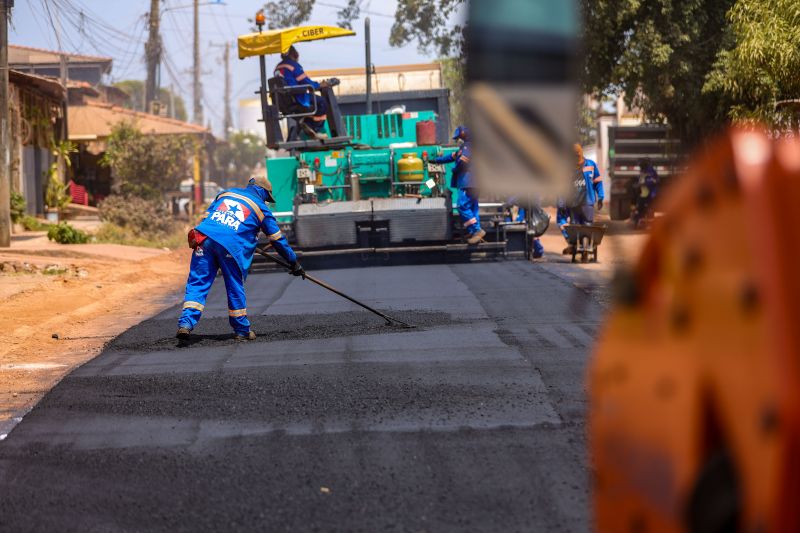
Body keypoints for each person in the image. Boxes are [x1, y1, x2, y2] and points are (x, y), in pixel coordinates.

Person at [176, 176, 304, 342]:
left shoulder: (225, 194)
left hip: (204, 239)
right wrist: (293, 262)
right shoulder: (261, 209)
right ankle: (242, 331)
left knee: (197, 283)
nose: (266, 201)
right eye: (267, 197)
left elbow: (210, 219)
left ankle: (185, 324)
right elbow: (277, 240)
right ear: (262, 192)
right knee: (234, 286)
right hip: (230, 247)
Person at [431, 126, 486, 244]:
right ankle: (474, 232)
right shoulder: (466, 147)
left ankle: (477, 230)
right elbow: (452, 156)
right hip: (474, 182)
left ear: (463, 135)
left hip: (467, 182)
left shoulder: (468, 145)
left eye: (459, 137)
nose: (459, 140)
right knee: (472, 208)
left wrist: (455, 169)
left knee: (461, 206)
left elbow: (462, 161)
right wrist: (436, 160)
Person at [274, 45, 330, 139]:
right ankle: (316, 128)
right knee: (322, 102)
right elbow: (306, 82)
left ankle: (307, 125)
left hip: (284, 101)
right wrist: (320, 85)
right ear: (294, 54)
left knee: (313, 103)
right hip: (297, 97)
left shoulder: (278, 67)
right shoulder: (293, 65)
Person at [562, 144, 605, 254]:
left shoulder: (591, 165)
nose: (577, 154)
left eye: (578, 152)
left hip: (587, 202)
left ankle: (587, 245)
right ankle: (573, 244)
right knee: (575, 226)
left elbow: (598, 182)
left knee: (587, 225)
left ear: (581, 153)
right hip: (573, 204)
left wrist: (600, 197)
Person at [631, 157, 659, 228]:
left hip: (650, 193)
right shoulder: (642, 171)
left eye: (640, 164)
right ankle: (637, 220)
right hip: (643, 193)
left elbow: (653, 181)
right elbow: (640, 180)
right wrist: (637, 185)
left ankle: (647, 223)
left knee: (648, 207)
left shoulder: (650, 171)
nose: (639, 166)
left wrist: (643, 184)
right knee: (639, 206)